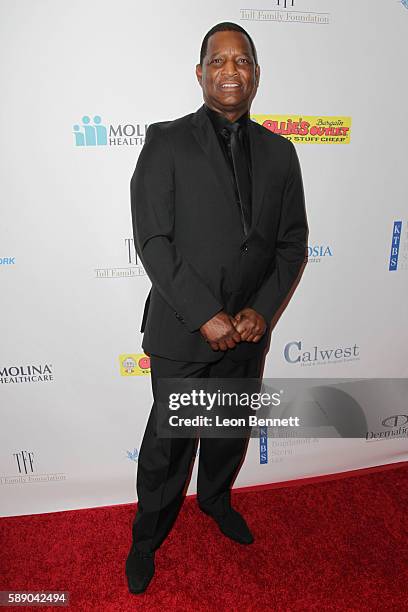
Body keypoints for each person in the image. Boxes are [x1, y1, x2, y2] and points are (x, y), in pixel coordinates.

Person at [126, 22, 308, 594]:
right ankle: (147, 537)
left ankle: (216, 502)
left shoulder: (282, 153)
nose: (231, 70)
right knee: (169, 447)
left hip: (248, 334)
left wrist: (262, 310)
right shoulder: (167, 141)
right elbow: (154, 239)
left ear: (256, 74)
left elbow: (291, 244)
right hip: (184, 331)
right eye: (218, 60)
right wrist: (206, 313)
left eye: (243, 60)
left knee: (228, 431)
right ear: (201, 72)